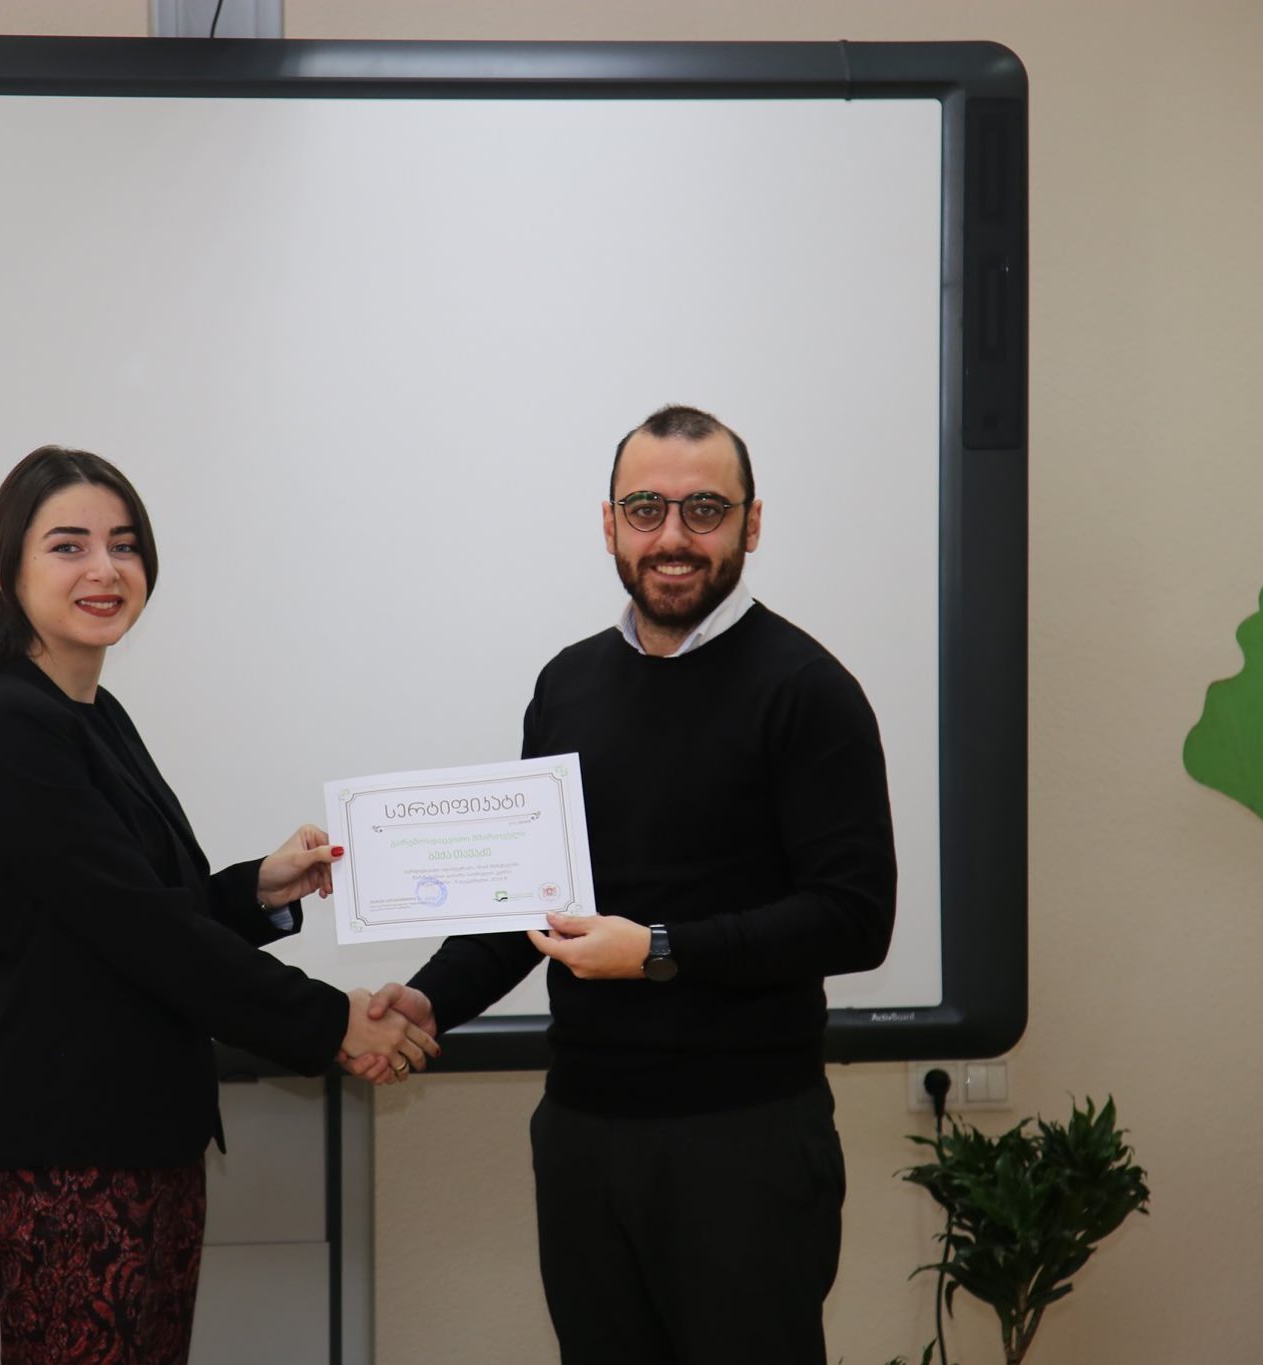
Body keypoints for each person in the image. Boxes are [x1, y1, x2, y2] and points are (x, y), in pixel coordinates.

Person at [368, 405, 897, 1365]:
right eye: (647, 508)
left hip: (743, 1140)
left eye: (705, 509)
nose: (673, 537)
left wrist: (658, 950)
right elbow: (532, 900)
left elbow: (854, 918)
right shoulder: (567, 685)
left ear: (751, 524)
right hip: (583, 1132)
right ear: (610, 523)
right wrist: (428, 999)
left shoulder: (808, 689)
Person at [0, 443, 436, 1365]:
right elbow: (147, 932)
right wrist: (333, 1019)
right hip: (74, 1161)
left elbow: (140, 910)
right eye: (68, 546)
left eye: (125, 544)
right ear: (6, 570)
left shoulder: (91, 712)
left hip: (144, 1140)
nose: (105, 569)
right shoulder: (11, 723)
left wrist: (259, 888)